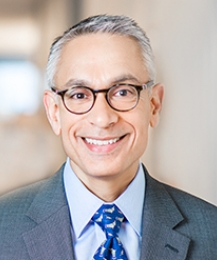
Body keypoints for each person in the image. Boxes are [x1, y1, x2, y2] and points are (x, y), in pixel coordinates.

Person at [0, 14, 217, 260]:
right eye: (79, 95)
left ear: (154, 106)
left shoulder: (212, 233)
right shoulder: (3, 230)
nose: (103, 118)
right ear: (53, 112)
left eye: (123, 91)